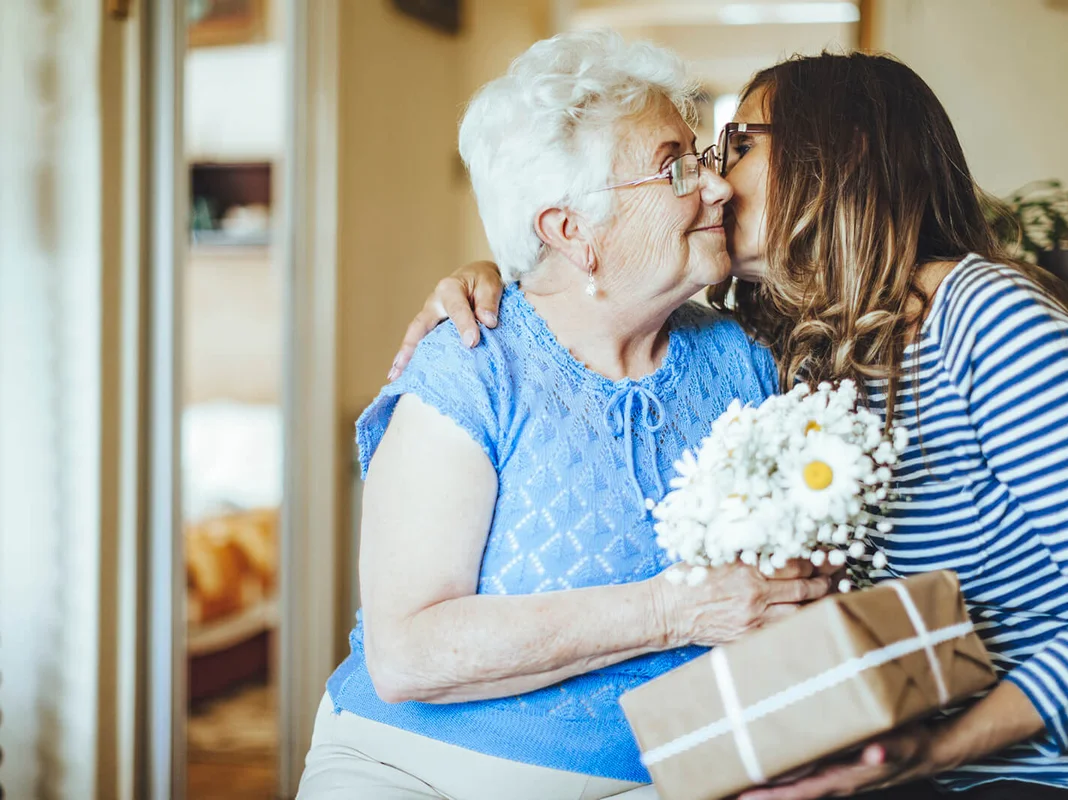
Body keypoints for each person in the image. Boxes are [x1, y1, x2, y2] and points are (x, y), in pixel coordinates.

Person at [392, 50, 1068, 800]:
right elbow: (597, 289)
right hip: (911, 766)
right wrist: (493, 278)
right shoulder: (790, 347)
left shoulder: (988, 321)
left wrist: (942, 750)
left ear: (837, 154)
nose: (712, 179)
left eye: (736, 143)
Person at [297, 31, 837, 800]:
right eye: (674, 168)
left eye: (702, 158)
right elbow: (407, 653)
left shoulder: (743, 359)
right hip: (417, 774)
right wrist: (674, 609)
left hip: (669, 779)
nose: (716, 189)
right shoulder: (473, 365)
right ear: (570, 230)